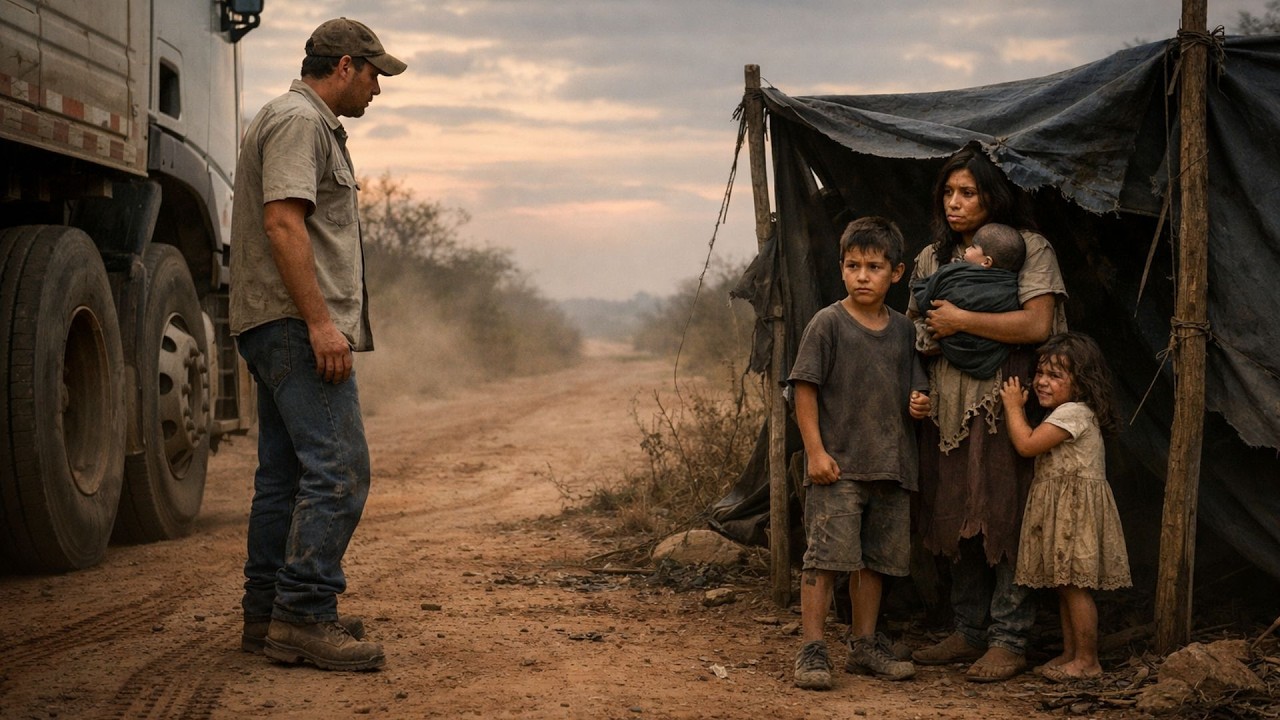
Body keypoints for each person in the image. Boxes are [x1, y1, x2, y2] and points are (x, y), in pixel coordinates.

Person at [229, 17, 406, 671]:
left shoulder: (299, 121)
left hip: (277, 323)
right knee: (339, 470)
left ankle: (267, 614)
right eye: (374, 75)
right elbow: (282, 223)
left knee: (285, 476)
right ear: (345, 65)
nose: (376, 90)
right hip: (294, 325)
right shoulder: (300, 121)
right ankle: (303, 615)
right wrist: (320, 324)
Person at [908, 143, 1068, 682]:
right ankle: (969, 630)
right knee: (958, 511)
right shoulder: (933, 257)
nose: (954, 203)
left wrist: (961, 321)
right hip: (947, 405)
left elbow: (1037, 325)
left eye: (968, 193)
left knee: (1006, 511)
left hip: (1006, 401)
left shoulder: (1029, 248)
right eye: (948, 193)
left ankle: (1008, 638)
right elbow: (914, 325)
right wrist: (929, 338)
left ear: (992, 198)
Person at [788, 217, 932, 690]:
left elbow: (915, 391)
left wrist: (920, 403)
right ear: (841, 269)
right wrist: (815, 453)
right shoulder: (827, 323)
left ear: (897, 273)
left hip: (890, 467)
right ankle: (813, 650)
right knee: (825, 559)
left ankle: (864, 645)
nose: (862, 276)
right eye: (853, 266)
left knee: (875, 563)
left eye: (874, 267)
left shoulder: (904, 332)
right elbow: (804, 390)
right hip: (837, 467)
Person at [1000, 332, 1131, 682]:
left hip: (1074, 513)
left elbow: (1027, 445)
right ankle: (1071, 654)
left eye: (1055, 375)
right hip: (1064, 510)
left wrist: (1012, 407)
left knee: (1074, 587)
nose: (1042, 382)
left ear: (1082, 382)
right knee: (1065, 585)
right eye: (1040, 372)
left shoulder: (1073, 413)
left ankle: (1088, 660)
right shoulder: (1064, 412)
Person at [911, 222, 1026, 378]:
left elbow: (927, 298)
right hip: (988, 360)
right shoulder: (1012, 288)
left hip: (954, 351)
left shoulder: (957, 276)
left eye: (972, 247)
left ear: (986, 262)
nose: (966, 250)